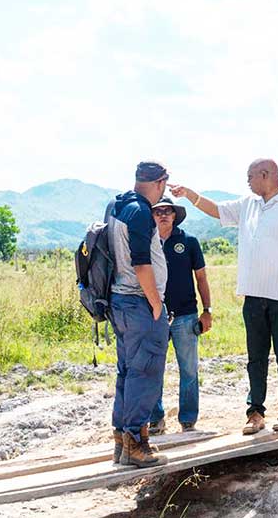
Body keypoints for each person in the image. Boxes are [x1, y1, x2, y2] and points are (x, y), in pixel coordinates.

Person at [170, 159, 278, 435]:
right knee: (255, 357)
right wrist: (190, 195)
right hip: (253, 296)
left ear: (265, 175)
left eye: (250, 176)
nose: (247, 182)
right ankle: (255, 412)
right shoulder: (249, 203)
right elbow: (216, 210)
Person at [108, 161, 171, 468]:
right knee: (145, 373)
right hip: (139, 302)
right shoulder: (141, 212)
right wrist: (156, 303)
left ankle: (122, 442)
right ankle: (136, 443)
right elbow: (141, 264)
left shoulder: (117, 205)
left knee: (128, 372)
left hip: (119, 301)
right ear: (159, 183)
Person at [147, 197, 212, 435]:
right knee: (154, 369)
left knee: (189, 370)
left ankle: (188, 420)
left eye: (168, 211)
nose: (163, 214)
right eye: (158, 211)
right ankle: (155, 420)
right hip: (155, 315)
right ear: (152, 216)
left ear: (175, 215)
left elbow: (202, 279)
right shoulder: (146, 243)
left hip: (186, 316)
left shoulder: (189, 242)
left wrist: (207, 311)